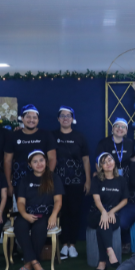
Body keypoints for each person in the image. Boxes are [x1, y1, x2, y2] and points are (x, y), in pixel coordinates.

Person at [14, 150, 63, 270]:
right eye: (35, 162)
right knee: (19, 225)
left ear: (46, 161)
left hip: (45, 214)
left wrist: (53, 215)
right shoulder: (25, 179)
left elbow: (58, 200)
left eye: (41, 160)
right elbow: (20, 202)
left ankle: (29, 264)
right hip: (28, 213)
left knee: (39, 228)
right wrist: (24, 214)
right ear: (30, 164)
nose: (39, 164)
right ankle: (35, 262)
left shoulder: (54, 178)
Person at [52, 106, 90, 260]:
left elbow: (86, 160)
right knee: (61, 212)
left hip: (76, 180)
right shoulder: (52, 135)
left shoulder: (80, 137)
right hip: (58, 181)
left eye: (68, 116)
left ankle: (72, 244)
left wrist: (88, 180)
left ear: (72, 119)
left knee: (74, 212)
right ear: (58, 119)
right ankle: (63, 244)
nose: (65, 118)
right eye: (63, 115)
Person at [4, 104, 57, 200]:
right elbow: (7, 161)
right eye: (28, 117)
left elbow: (52, 158)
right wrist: (8, 183)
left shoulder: (46, 135)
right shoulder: (13, 136)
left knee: (41, 206)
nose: (31, 120)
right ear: (22, 118)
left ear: (38, 120)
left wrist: (48, 177)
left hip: (41, 180)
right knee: (21, 207)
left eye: (34, 117)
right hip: (19, 181)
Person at [89, 152, 129, 270]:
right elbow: (97, 200)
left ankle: (102, 263)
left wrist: (111, 211)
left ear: (114, 162)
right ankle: (111, 253)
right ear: (100, 166)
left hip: (113, 214)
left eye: (110, 160)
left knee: (103, 225)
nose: (108, 163)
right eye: (104, 162)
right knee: (103, 222)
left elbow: (125, 200)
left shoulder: (121, 180)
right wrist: (104, 213)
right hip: (97, 213)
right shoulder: (96, 180)